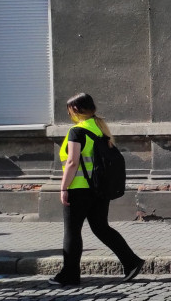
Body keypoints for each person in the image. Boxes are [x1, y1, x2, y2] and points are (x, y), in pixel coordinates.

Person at [51, 93, 144, 287]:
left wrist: (63, 187)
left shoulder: (77, 131)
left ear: (75, 110)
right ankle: (131, 261)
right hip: (98, 189)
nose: (70, 115)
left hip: (78, 189)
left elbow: (72, 161)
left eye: (69, 111)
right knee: (101, 227)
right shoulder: (101, 129)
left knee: (72, 231)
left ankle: (69, 274)